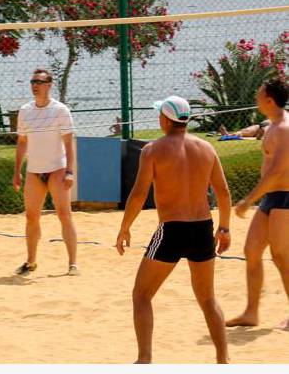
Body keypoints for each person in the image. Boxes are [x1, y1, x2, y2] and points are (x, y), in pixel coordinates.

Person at [116, 95, 232, 364]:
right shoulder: (206, 148)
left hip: (172, 229)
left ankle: (144, 359)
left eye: (160, 115)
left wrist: (124, 228)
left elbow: (138, 194)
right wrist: (224, 228)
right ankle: (223, 361)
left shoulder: (152, 150)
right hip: (202, 228)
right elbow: (224, 193)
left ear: (166, 119)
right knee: (208, 300)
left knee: (141, 295)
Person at [227, 78, 289, 330]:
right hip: (272, 197)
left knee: (281, 256)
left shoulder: (284, 128)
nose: (256, 97)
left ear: (269, 100)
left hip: (285, 196)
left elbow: (276, 171)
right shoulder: (272, 126)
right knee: (252, 250)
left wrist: (248, 200)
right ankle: (251, 313)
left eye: (259, 94)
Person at [13, 68, 79, 276]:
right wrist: (17, 171)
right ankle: (31, 262)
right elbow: (22, 142)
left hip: (57, 169)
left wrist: (70, 171)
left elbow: (68, 144)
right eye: (33, 82)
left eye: (39, 82)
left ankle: (72, 264)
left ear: (49, 85)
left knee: (64, 215)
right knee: (31, 217)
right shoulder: (25, 110)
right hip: (34, 171)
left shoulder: (60, 110)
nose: (35, 85)